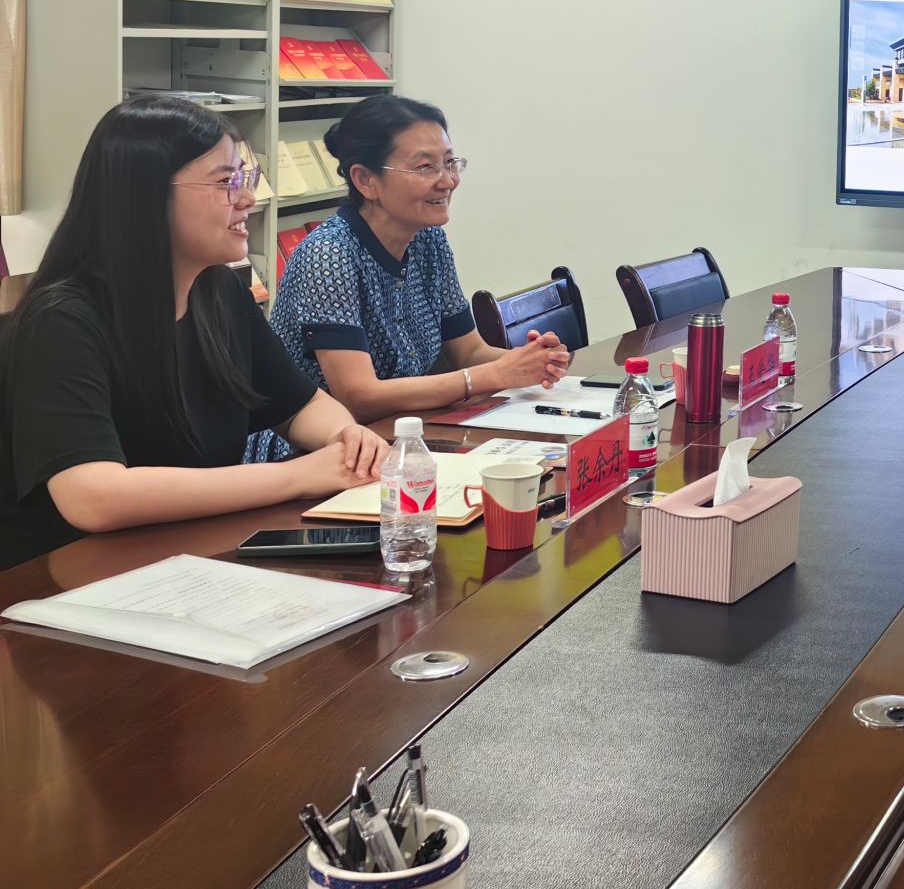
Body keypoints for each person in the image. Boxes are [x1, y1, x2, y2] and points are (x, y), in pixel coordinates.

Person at [0, 97, 387, 570]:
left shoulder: (219, 289)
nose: (248, 199)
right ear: (145, 197)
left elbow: (300, 405)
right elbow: (92, 497)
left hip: (190, 556)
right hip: (70, 578)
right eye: (226, 183)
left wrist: (347, 440)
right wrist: (300, 475)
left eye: (244, 179)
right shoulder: (61, 321)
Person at [263, 96, 571, 427]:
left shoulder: (429, 239)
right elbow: (359, 397)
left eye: (450, 163)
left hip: (405, 429)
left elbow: (468, 353)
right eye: (425, 167)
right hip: (320, 444)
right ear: (366, 180)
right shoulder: (328, 255)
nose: (447, 181)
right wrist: (494, 374)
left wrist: (530, 361)